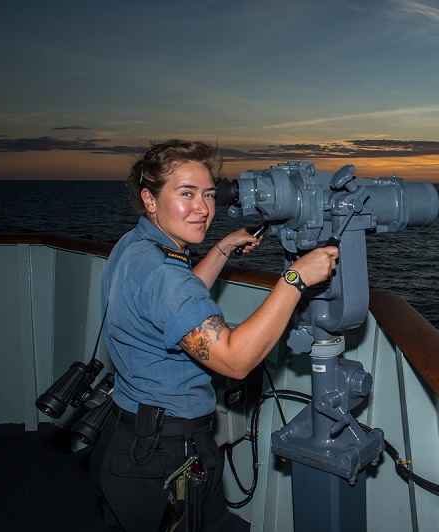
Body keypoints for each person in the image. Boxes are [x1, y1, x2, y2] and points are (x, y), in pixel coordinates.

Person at [90, 139, 338, 531]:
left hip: (128, 436)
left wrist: (223, 247)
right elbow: (235, 361)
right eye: (186, 194)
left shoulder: (137, 245)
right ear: (149, 199)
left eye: (208, 194)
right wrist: (295, 278)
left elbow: (176, 303)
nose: (204, 209)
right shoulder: (163, 275)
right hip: (166, 454)